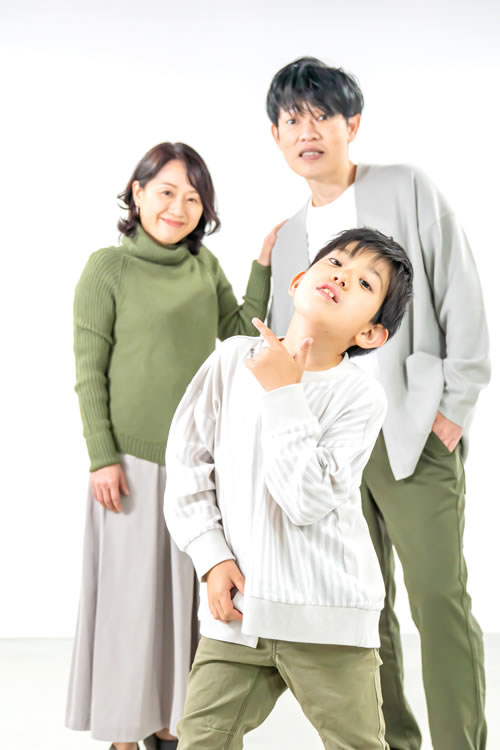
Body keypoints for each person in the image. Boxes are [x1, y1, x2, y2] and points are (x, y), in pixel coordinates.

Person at [265, 56, 490, 750]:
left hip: (414, 432)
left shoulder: (406, 187)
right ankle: (394, 743)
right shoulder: (290, 238)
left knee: (439, 601)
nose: (307, 131)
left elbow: (460, 291)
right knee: (366, 609)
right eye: (292, 119)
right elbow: (281, 341)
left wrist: (454, 405)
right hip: (335, 444)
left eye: (321, 116)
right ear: (276, 136)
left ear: (352, 124)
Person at [164, 227, 413, 750]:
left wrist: (283, 391)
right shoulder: (231, 360)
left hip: (328, 617)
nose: (342, 277)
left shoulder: (360, 397)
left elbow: (305, 500)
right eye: (336, 263)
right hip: (240, 612)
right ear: (299, 280)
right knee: (200, 741)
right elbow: (187, 464)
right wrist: (210, 557)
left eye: (365, 283)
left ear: (371, 334)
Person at [66, 141, 279, 750]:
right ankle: (123, 735)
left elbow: (238, 335)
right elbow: (89, 371)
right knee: (130, 606)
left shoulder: (203, 267)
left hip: (196, 464)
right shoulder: (106, 269)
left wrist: (262, 267)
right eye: (166, 192)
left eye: (193, 198)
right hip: (129, 466)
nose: (178, 208)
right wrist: (102, 458)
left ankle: (167, 726)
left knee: (185, 604)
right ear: (137, 193)